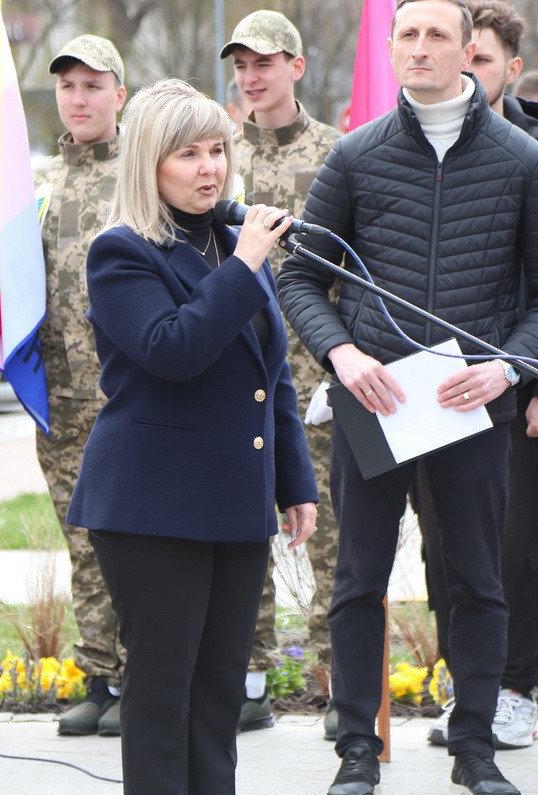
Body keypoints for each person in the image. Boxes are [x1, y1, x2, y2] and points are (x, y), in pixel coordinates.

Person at [279, 0, 538, 795]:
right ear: (390, 49)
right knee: (358, 580)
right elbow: (300, 277)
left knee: (477, 579)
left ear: (468, 50)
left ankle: (474, 748)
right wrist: (342, 355)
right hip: (375, 400)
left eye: (437, 35)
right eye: (407, 34)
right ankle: (357, 749)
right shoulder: (355, 156)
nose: (420, 47)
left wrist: (506, 370)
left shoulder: (523, 161)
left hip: (468, 403)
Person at [68, 79, 317, 795]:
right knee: (163, 688)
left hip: (234, 500)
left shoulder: (230, 243)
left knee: (220, 690)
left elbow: (270, 379)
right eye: (188, 154)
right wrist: (245, 267)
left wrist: (294, 482)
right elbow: (172, 350)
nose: (210, 168)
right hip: (152, 505)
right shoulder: (122, 253)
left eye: (218, 150)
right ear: (151, 162)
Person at [419, 0, 538, 751]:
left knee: (518, 547)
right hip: (436, 389)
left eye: (480, 58)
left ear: (510, 70)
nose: (462, 68)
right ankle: (467, 686)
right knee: (444, 547)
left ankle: (515, 689)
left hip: (521, 393)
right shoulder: (422, 153)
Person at [221, 9, 342, 734]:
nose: (251, 77)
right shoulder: (216, 153)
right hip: (235, 374)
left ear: (296, 67)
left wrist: (339, 363)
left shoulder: (337, 155)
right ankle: (249, 676)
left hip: (315, 377)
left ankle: (340, 679)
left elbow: (358, 270)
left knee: (329, 537)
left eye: (263, 63)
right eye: (241, 65)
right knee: (243, 532)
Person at [30, 36, 129, 739]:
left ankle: (142, 677)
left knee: (136, 541)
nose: (79, 98)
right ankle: (100, 677)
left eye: (93, 85)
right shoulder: (37, 186)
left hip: (132, 395)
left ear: (119, 93)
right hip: (61, 399)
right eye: (68, 86)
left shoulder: (145, 174)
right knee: (84, 539)